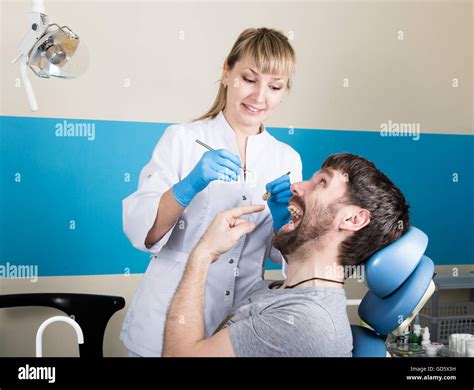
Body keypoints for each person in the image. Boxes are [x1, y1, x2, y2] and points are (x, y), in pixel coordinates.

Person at [120, 27, 303, 356]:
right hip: (165, 319)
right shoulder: (182, 139)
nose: (259, 97)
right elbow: (141, 231)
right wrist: (189, 185)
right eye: (249, 79)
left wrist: (284, 222)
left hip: (237, 328)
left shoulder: (286, 159)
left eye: (274, 86)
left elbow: (290, 261)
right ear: (226, 72)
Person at [162, 153, 410, 357]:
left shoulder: (306, 323)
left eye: (321, 183)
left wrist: (203, 254)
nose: (295, 187)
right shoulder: (273, 290)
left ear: (353, 219)